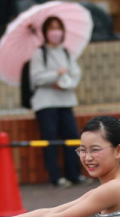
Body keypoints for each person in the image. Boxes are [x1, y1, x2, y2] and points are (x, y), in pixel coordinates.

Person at [30, 15, 85, 188]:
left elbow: (75, 73)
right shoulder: (40, 53)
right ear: (45, 32)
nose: (55, 32)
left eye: (58, 28)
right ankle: (55, 176)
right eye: (51, 28)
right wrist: (55, 76)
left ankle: (74, 174)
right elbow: (36, 78)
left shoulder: (66, 52)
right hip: (46, 103)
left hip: (65, 100)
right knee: (50, 140)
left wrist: (66, 83)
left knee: (72, 139)